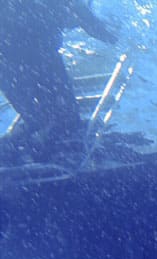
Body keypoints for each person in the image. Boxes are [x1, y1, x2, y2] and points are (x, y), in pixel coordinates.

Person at [0, 0, 117, 157]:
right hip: (34, 52)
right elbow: (81, 15)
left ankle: (42, 128)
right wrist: (111, 37)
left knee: (38, 114)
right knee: (65, 118)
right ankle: (53, 131)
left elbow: (79, 14)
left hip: (13, 58)